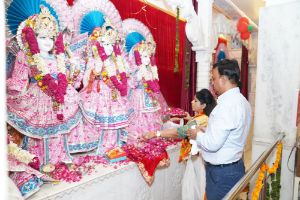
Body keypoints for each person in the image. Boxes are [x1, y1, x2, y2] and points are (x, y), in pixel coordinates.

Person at [6, 4, 84, 166]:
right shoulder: (27, 56)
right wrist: (14, 91)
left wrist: (75, 67)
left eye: (51, 37)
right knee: (42, 131)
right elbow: (19, 81)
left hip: (61, 97)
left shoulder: (58, 57)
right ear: (32, 38)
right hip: (39, 97)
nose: (48, 42)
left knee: (60, 128)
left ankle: (62, 156)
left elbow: (71, 79)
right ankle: (41, 160)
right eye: (42, 37)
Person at [187, 59, 252, 200]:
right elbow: (229, 133)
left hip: (222, 174)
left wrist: (196, 134)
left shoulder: (227, 106)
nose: (213, 83)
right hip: (234, 166)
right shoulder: (242, 101)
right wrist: (207, 130)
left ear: (223, 79)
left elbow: (213, 144)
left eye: (214, 79)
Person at [144, 88, 216, 200]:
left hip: (197, 159)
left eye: (195, 101)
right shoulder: (203, 117)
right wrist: (189, 118)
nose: (192, 102)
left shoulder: (200, 119)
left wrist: (156, 133)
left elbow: (179, 132)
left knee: (194, 188)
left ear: (203, 105)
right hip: (199, 158)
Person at [123, 18, 168, 143]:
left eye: (148, 56)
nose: (147, 59)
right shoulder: (133, 69)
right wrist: (138, 77)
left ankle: (152, 136)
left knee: (152, 116)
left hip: (149, 96)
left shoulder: (149, 69)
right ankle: (140, 138)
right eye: (144, 56)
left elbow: (153, 84)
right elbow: (130, 83)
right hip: (137, 97)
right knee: (138, 117)